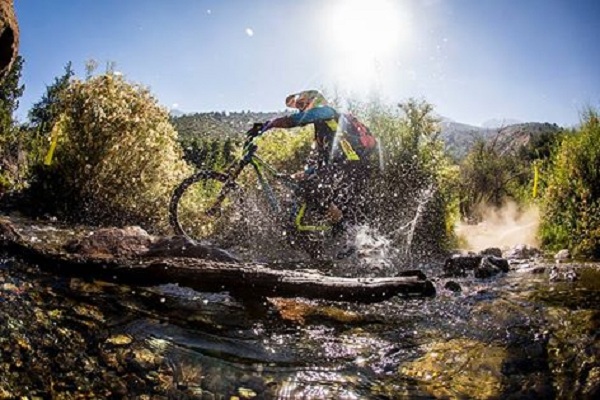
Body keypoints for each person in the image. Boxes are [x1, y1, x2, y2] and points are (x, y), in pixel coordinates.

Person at [259, 89, 376, 227]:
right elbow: (319, 158)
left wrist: (269, 124)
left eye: (302, 105)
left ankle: (344, 230)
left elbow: (297, 120)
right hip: (342, 166)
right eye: (299, 107)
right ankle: (325, 230)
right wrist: (307, 172)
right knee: (307, 186)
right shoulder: (321, 130)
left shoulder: (327, 112)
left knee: (313, 189)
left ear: (313, 102)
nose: (300, 110)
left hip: (352, 165)